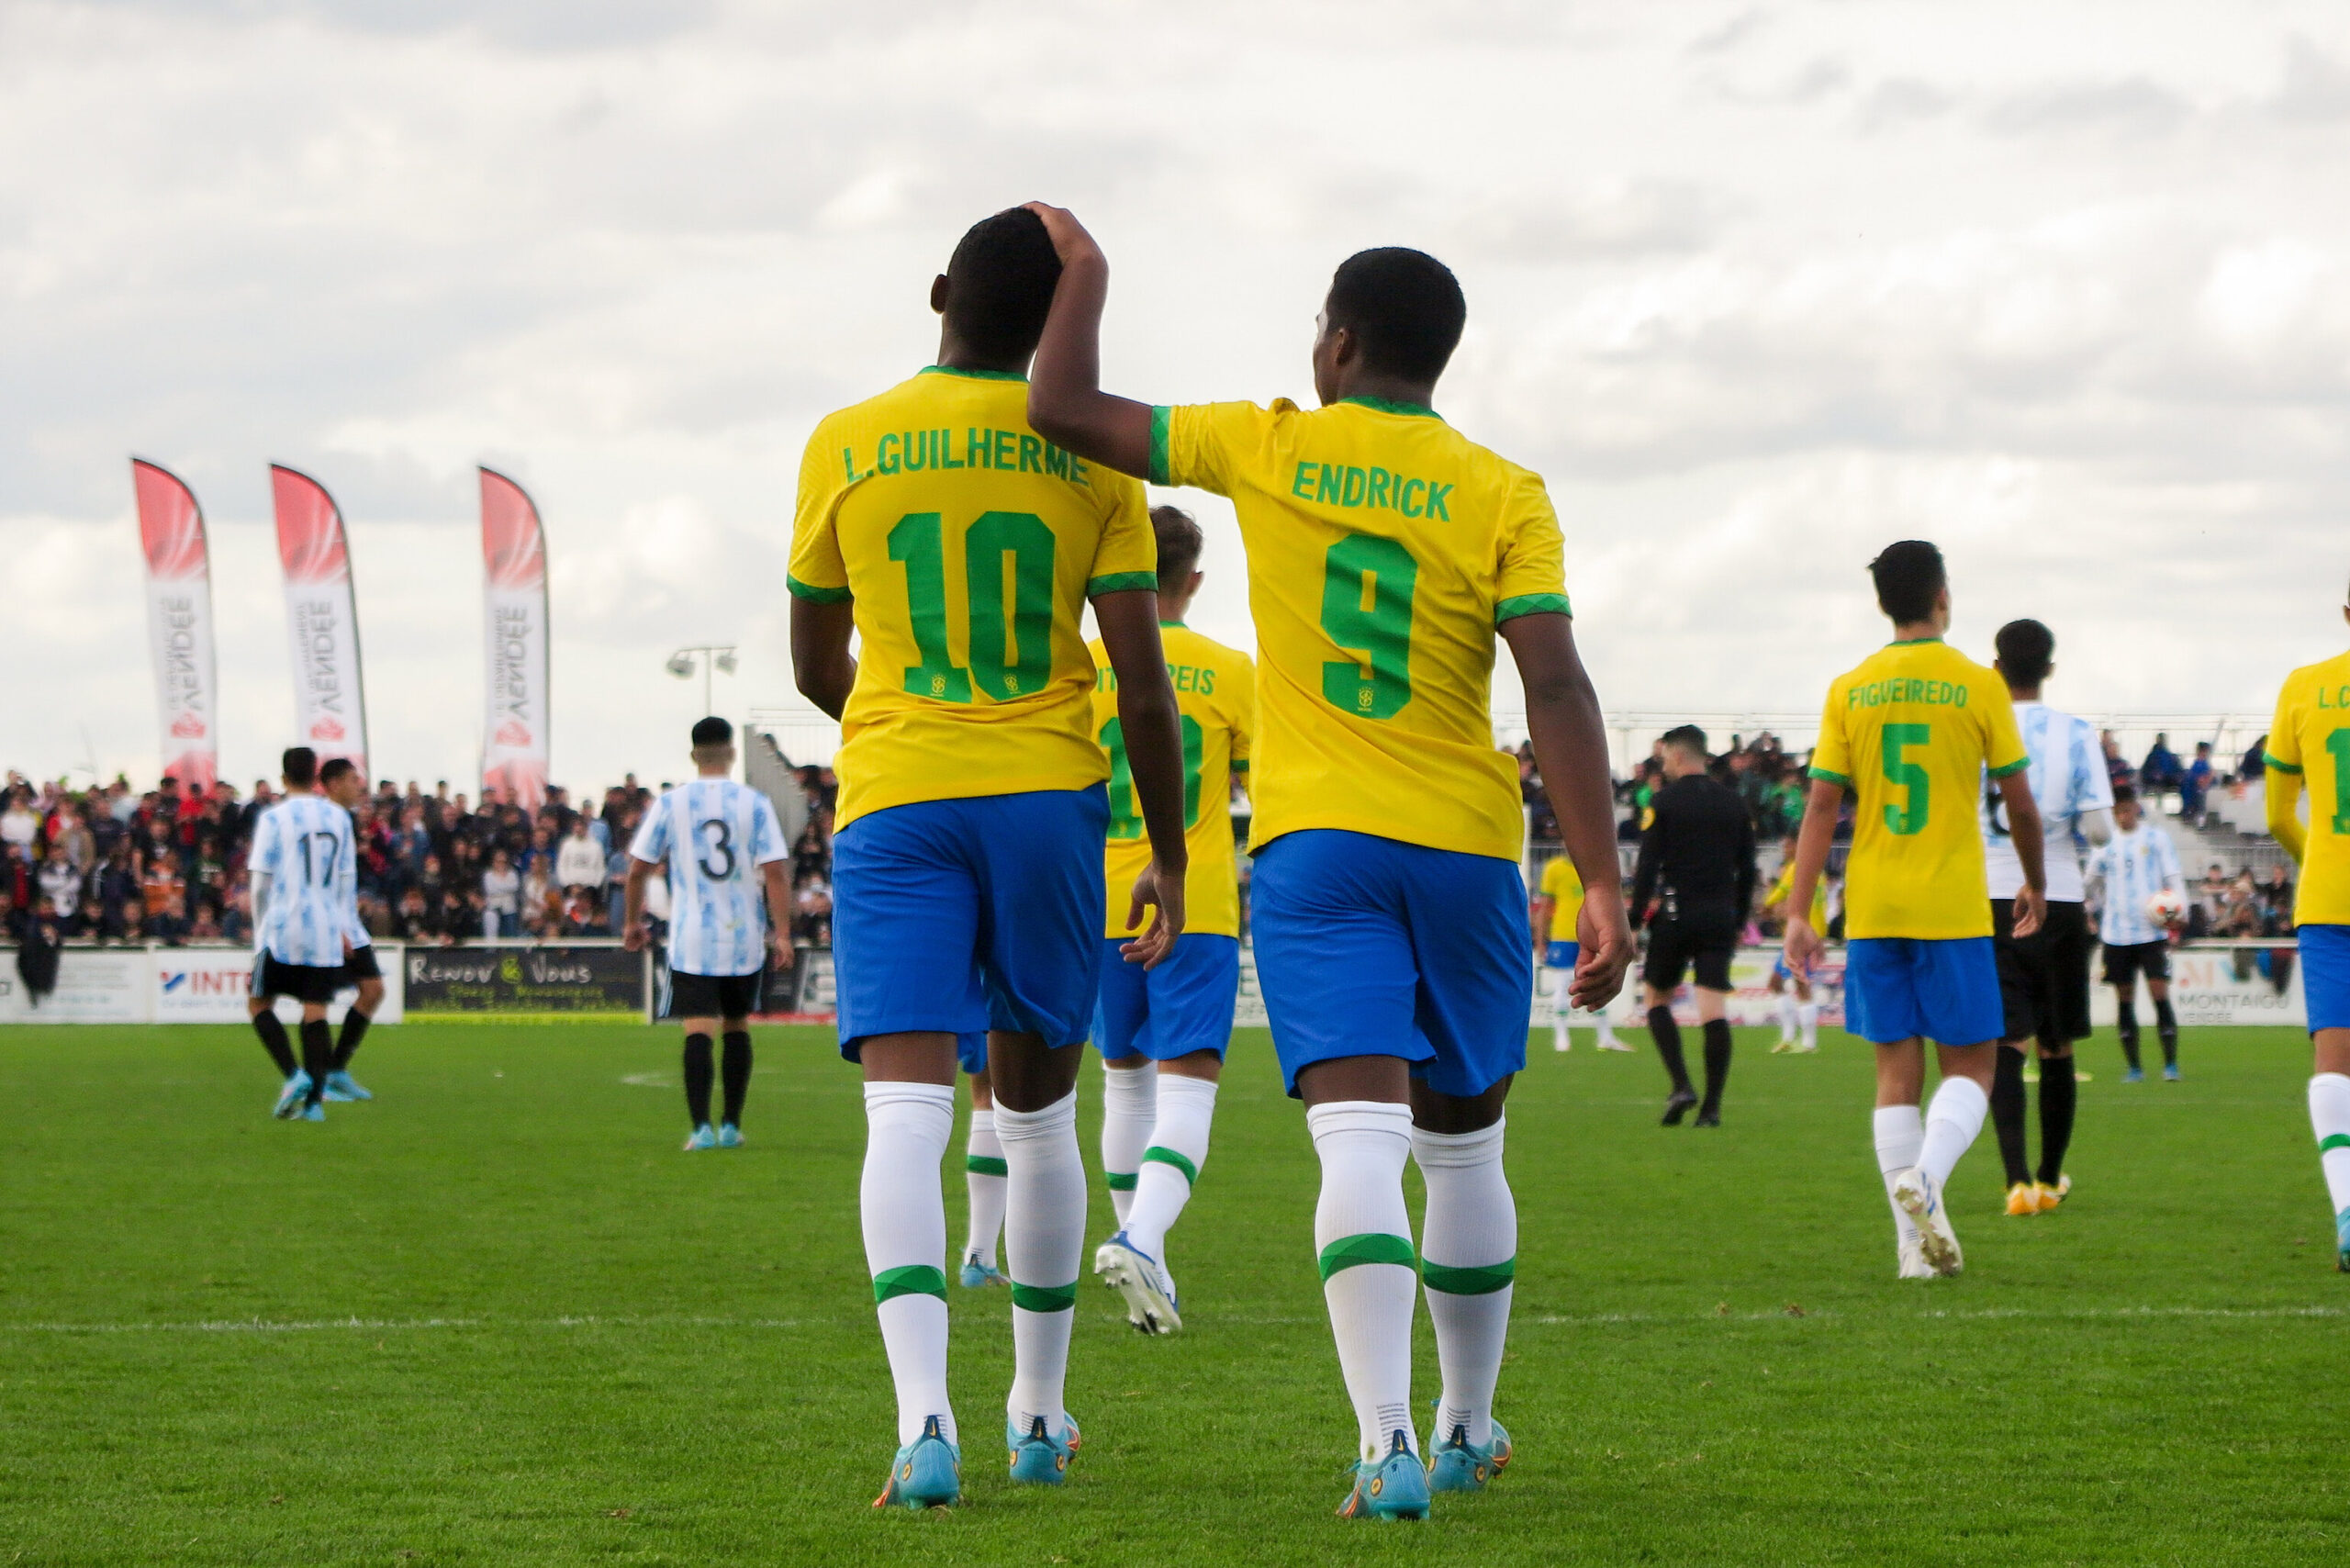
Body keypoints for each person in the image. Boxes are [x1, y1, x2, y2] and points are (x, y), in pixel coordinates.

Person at [1025, 205, 1632, 1518]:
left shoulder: (1271, 443)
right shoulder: (1505, 492)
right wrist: (1602, 880)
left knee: (1357, 1136)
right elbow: (1561, 690)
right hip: (1468, 849)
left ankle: (1387, 1443)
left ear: (1339, 343)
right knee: (1467, 1150)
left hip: (1317, 853)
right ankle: (1470, 1424)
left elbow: (1061, 406)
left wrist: (1083, 271)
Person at [786, 206, 1191, 1511]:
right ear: (1053, 322)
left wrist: (904, 728)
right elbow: (1143, 688)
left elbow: (811, 662)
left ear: (940, 291)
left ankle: (922, 1425)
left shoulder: (844, 440)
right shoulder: (1091, 461)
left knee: (902, 1115)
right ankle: (1039, 1410)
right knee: (1039, 1115)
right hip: (1047, 800)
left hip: (899, 795)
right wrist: (1172, 854)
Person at [1783, 541, 2044, 1280]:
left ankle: (1911, 1252)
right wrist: (2033, 879)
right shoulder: (1977, 683)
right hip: (1952, 902)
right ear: (1942, 597)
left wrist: (1799, 911)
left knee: (1895, 1074)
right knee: (1974, 1065)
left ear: (1881, 604)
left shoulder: (1851, 687)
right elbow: (2018, 802)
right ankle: (1926, 1180)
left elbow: (1821, 806)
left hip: (1872, 903)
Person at [1087, 504, 1255, 1336]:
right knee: (1186, 1092)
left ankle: (1143, 1255)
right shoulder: (1230, 671)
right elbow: (1268, 789)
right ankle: (1142, 1237)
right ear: (1193, 578)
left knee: (1123, 1081)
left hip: (1101, 902)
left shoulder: (1083, 666)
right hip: (1196, 905)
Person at [1978, 620, 2113, 1216]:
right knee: (2056, 1045)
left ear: (1997, 666)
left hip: (1988, 894)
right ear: (2050, 670)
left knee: (2006, 1041)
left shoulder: (1981, 725)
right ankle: (2051, 1176)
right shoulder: (2075, 733)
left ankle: (2015, 1181)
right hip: (2055, 893)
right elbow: (2100, 828)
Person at [621, 718, 791, 1152]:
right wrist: (783, 933)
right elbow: (775, 871)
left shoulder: (671, 803)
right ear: (732, 753)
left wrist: (631, 922)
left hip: (692, 936)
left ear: (694, 755)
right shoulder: (753, 803)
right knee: (736, 1025)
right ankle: (732, 1125)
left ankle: (701, 1129)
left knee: (698, 1029)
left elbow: (638, 867)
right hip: (744, 939)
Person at [2262, 593, 2350, 1270]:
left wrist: (2316, 860)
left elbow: (2276, 814)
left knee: (2333, 1062)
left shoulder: (2303, 686)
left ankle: (2348, 1208)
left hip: (2329, 896)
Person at [1630, 725, 1757, 1126]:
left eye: (1664, 755)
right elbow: (1748, 870)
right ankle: (1713, 1108)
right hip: (1719, 915)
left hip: (1675, 913)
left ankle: (1682, 1084)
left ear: (1678, 755)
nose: (1662, 763)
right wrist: (1737, 919)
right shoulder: (1733, 803)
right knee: (1712, 1008)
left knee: (1656, 1000)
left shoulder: (1663, 802)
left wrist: (1633, 922)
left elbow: (1648, 867)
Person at [245, 747, 357, 1122]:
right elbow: (344, 878)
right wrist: (343, 926)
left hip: (283, 924)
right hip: (325, 926)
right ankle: (314, 1108)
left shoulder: (274, 818)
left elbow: (260, 882)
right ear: (316, 776)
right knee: (315, 1012)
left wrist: (260, 930)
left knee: (259, 1004)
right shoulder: (339, 816)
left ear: (283, 777)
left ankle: (294, 1076)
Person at [2086, 789, 2185, 1082]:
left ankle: (2170, 1065)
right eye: (2117, 811)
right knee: (2124, 999)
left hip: (2152, 933)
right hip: (2116, 935)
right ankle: (2134, 1068)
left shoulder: (2156, 839)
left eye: (2127, 810)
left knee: (2159, 994)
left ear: (2136, 809)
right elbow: (2089, 882)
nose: (2122, 816)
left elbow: (2173, 878)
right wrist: (2085, 908)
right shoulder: (2104, 845)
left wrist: (2181, 911)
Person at [319, 758, 384, 1103]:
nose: (359, 785)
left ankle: (336, 1070)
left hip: (349, 923)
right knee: (319, 1000)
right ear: (333, 783)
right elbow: (322, 876)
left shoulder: (343, 819)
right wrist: (335, 926)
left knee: (372, 991)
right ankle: (321, 1081)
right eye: (352, 779)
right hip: (333, 926)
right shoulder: (327, 819)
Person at [1536, 850, 1627, 1053]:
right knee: (1562, 987)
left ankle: (1605, 1036)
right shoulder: (1554, 868)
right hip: (1563, 936)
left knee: (1596, 982)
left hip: (1590, 935)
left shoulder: (1593, 867)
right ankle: (1561, 1037)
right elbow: (1545, 907)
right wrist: (1541, 940)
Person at [1761, 837, 1827, 1053]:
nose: (1784, 849)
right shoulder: (1819, 872)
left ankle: (1808, 1042)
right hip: (1809, 932)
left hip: (1803, 936)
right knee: (1777, 982)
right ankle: (1790, 1038)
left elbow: (1782, 890)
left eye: (1788, 845)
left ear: (1799, 846)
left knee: (1799, 984)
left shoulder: (1797, 867)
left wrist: (1767, 904)